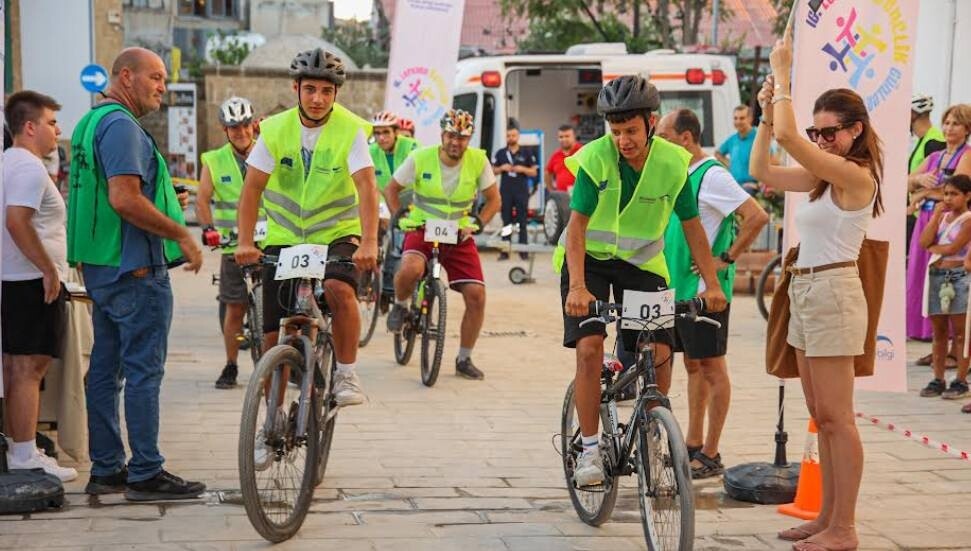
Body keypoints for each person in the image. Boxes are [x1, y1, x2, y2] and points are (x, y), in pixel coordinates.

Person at [557, 75, 728, 488]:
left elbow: (692, 226)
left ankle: (652, 431)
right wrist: (577, 287)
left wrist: (712, 284)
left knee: (660, 350)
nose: (623, 140)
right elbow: (576, 228)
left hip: (642, 264)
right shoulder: (594, 158)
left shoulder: (672, 163)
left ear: (651, 123)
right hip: (589, 263)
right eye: (616, 131)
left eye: (631, 131)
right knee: (589, 348)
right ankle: (591, 451)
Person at [752, 31, 884, 549]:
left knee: (838, 418)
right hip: (807, 290)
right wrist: (766, 113)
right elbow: (761, 169)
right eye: (817, 132)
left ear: (855, 130)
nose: (822, 140)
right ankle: (827, 516)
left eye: (830, 132)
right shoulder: (823, 178)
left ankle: (844, 527)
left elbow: (790, 142)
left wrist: (783, 75)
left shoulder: (855, 175)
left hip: (832, 291)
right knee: (822, 416)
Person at [67, 47, 205, 500]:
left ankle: (107, 468)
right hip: (134, 269)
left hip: (102, 267)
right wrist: (181, 234)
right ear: (126, 77)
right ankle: (146, 472)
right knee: (144, 372)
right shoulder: (122, 125)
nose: (162, 87)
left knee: (106, 370)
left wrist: (165, 201)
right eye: (155, 77)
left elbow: (115, 191)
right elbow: (123, 198)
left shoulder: (91, 122)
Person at [234, 48, 379, 408]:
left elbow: (366, 187)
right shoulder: (273, 130)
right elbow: (252, 189)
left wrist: (369, 242)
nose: (318, 99)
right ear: (296, 88)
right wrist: (245, 241)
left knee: (338, 287)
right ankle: (271, 422)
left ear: (336, 93)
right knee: (273, 337)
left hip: (337, 235)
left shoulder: (351, 129)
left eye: (327, 91)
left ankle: (346, 373)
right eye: (310, 89)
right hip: (285, 238)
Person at [656, 108, 769, 479]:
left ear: (686, 138)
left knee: (712, 368)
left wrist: (726, 259)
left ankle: (712, 451)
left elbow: (757, 216)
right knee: (693, 365)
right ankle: (693, 442)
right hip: (679, 288)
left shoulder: (712, 175)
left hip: (706, 292)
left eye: (665, 136)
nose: (659, 143)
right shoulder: (680, 173)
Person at [384, 109, 501, 380]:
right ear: (442, 135)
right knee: (411, 269)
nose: (455, 142)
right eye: (451, 136)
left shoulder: (478, 160)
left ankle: (464, 358)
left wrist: (478, 223)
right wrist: (398, 216)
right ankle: (401, 305)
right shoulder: (420, 157)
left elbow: (494, 200)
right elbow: (391, 189)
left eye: (462, 137)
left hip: (459, 233)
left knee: (477, 295)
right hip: (422, 227)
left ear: (469, 138)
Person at [1, 91, 76, 481]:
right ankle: (25, 454)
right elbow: (17, 221)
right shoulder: (28, 167)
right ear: (29, 127)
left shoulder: (9, 162)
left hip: (16, 280)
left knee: (18, 368)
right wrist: (48, 269)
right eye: (51, 122)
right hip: (30, 282)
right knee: (30, 368)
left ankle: (22, 448)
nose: (57, 130)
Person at [197, 96, 262, 389]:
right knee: (235, 308)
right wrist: (208, 227)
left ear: (253, 125)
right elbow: (202, 199)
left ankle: (283, 363)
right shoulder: (213, 160)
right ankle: (231, 364)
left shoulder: (268, 152)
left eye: (245, 125)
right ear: (225, 129)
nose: (241, 132)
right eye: (234, 127)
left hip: (269, 242)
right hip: (234, 246)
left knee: (280, 307)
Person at [906, 104, 971, 350]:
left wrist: (922, 192)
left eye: (956, 123)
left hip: (950, 223)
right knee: (921, 277)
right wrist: (919, 180)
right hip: (927, 221)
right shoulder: (935, 156)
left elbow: (957, 188)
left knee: (948, 280)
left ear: (967, 129)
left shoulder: (967, 155)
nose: (949, 128)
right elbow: (906, 182)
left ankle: (954, 347)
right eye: (947, 122)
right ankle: (932, 340)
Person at [918, 175, 971, 400]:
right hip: (936, 275)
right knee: (938, 332)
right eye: (946, 193)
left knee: (960, 334)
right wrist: (935, 216)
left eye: (954, 194)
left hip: (959, 277)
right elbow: (923, 242)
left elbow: (953, 248)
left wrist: (933, 247)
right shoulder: (941, 217)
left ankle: (960, 379)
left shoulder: (968, 220)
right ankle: (938, 378)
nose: (948, 198)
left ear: (967, 196)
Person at [493, 126, 538, 260]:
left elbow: (534, 172)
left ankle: (523, 252)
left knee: (522, 222)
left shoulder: (526, 152)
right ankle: (505, 251)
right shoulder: (501, 153)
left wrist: (522, 169)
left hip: (521, 191)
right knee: (506, 222)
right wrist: (502, 168)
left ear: (518, 137)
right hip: (506, 191)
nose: (511, 138)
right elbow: (492, 171)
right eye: (508, 135)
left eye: (513, 135)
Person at [369, 110, 418, 214]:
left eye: (386, 132)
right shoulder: (371, 151)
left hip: (413, 200)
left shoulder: (412, 146)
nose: (381, 138)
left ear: (396, 132)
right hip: (385, 203)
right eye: (377, 133)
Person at [715, 105, 759, 195]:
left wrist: (759, 184)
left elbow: (772, 161)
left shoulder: (758, 136)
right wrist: (730, 164)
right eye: (735, 118)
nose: (738, 122)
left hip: (752, 187)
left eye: (742, 118)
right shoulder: (733, 139)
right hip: (735, 186)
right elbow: (718, 153)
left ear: (750, 119)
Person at [545, 124, 582, 193]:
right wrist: (551, 190)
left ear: (574, 136)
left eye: (567, 136)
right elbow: (547, 172)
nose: (564, 139)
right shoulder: (556, 155)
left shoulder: (582, 152)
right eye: (561, 137)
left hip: (580, 195)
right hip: (561, 195)